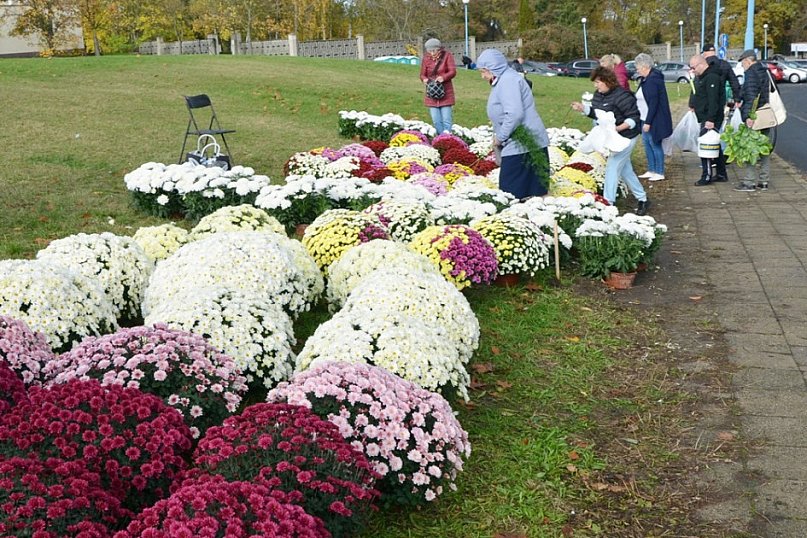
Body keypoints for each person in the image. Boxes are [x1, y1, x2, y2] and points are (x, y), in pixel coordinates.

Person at [571, 66, 650, 215]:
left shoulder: (623, 96)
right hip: (611, 137)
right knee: (625, 170)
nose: (595, 85)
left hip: (626, 137)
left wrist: (618, 128)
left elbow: (633, 118)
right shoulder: (598, 95)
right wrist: (583, 109)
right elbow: (597, 113)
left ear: (607, 81)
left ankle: (608, 205)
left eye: (598, 82)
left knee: (612, 167)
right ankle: (643, 199)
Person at [475, 48, 550, 199]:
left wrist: (500, 137)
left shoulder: (508, 81)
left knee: (510, 195)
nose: (483, 76)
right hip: (525, 143)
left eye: (484, 71)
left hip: (521, 145)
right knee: (531, 194)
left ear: (493, 68)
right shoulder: (506, 78)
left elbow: (514, 113)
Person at [735, 49, 772, 192]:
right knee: (764, 148)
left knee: (750, 148)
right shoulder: (764, 71)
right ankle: (764, 181)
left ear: (748, 61)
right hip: (766, 115)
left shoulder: (750, 74)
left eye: (743, 63)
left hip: (755, 116)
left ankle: (749, 181)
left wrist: (747, 116)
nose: (743, 66)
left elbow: (751, 96)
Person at [689, 53, 728, 185]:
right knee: (714, 144)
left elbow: (713, 100)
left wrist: (710, 119)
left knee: (705, 145)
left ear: (701, 65)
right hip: (706, 115)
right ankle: (721, 173)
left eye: (693, 68)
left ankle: (706, 175)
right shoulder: (704, 77)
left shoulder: (711, 77)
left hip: (710, 117)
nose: (692, 71)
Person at [634, 53, 673, 181]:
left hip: (653, 119)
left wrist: (648, 122)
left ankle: (659, 171)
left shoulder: (653, 81)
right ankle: (651, 169)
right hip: (644, 117)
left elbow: (653, 103)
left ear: (644, 66)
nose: (637, 69)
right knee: (647, 144)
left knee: (655, 143)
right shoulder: (645, 80)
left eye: (638, 67)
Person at [419, 38, 457, 134]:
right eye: (429, 51)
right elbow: (422, 74)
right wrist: (424, 79)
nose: (432, 53)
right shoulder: (426, 58)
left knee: (446, 120)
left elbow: (452, 71)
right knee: (436, 121)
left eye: (434, 50)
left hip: (446, 92)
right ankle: (440, 139)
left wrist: (443, 77)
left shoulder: (447, 56)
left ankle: (448, 138)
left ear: (439, 49)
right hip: (432, 93)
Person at [702, 44, 741, 108]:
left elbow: (696, 84)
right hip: (720, 98)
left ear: (704, 53)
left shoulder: (703, 65)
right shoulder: (724, 64)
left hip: (705, 99)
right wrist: (737, 99)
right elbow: (734, 83)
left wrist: (692, 103)